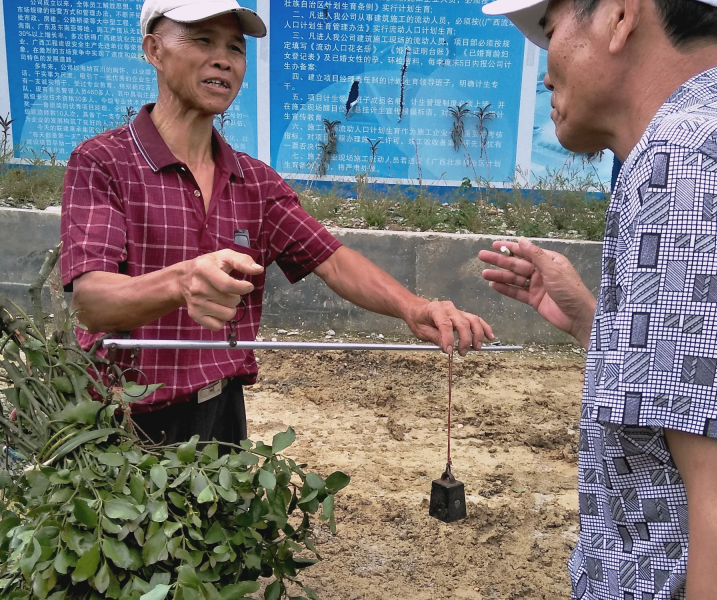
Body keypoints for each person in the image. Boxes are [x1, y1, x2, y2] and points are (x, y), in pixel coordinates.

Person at [479, 0, 717, 597]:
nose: (545, 68)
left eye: (550, 26)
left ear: (618, 16)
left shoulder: (687, 163)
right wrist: (598, 325)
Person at [60, 0, 494, 447]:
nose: (223, 59)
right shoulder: (103, 163)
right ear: (154, 50)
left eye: (235, 47)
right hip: (123, 419)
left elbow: (334, 261)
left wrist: (413, 307)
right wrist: (181, 282)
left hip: (221, 410)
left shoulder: (255, 182)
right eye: (203, 40)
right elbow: (90, 302)